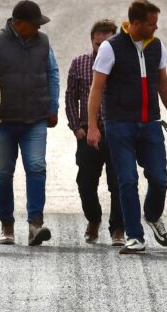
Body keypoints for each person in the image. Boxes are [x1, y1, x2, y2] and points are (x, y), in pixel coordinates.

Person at [87, 0, 167, 255]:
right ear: (136, 23)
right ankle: (134, 236)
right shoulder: (111, 47)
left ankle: (152, 215)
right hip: (119, 126)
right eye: (152, 23)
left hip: (151, 124)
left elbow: (163, 84)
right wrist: (92, 127)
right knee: (127, 180)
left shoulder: (157, 46)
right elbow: (96, 89)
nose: (156, 27)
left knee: (159, 179)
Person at [0, 0, 59, 246]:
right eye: (33, 24)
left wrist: (53, 105)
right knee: (3, 172)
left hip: (35, 118)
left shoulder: (43, 42)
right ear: (17, 24)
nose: (38, 28)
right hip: (3, 121)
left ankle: (35, 225)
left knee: (36, 167)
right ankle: (7, 225)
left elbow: (53, 72)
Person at [66, 19, 125, 246]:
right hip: (89, 131)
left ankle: (118, 228)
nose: (101, 48)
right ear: (91, 41)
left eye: (106, 43)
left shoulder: (121, 64)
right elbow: (71, 96)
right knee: (86, 182)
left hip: (116, 130)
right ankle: (93, 219)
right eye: (97, 43)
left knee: (118, 181)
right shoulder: (80, 63)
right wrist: (77, 128)